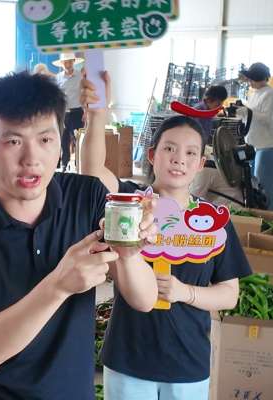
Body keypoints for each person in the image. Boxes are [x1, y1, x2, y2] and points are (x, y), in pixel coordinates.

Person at [0, 71, 158, 399]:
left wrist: (129, 254)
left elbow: (145, 300)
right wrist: (59, 285)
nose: (32, 159)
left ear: (61, 142)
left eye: (45, 140)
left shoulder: (87, 197)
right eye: (13, 141)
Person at [80, 72, 252, 400]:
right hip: (128, 358)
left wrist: (184, 292)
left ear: (201, 163)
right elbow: (93, 170)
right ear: (152, 155)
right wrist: (98, 116)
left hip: (188, 363)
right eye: (169, 148)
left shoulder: (212, 220)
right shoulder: (130, 203)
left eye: (190, 153)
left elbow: (229, 295)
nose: (178, 159)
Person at [238, 62, 273, 209]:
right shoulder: (254, 94)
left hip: (266, 146)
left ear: (262, 78)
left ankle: (269, 215)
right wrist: (242, 112)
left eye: (253, 79)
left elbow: (267, 119)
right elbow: (251, 118)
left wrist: (248, 112)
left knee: (265, 185)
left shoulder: (269, 94)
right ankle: (257, 215)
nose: (250, 82)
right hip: (252, 144)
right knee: (252, 184)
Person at [53, 52, 84, 171]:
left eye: (70, 61)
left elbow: (84, 94)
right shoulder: (58, 78)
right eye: (65, 62)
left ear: (73, 62)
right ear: (62, 64)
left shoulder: (80, 76)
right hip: (63, 113)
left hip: (77, 112)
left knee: (78, 139)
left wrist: (86, 112)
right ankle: (64, 164)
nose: (68, 64)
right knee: (63, 139)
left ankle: (78, 164)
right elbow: (56, 96)